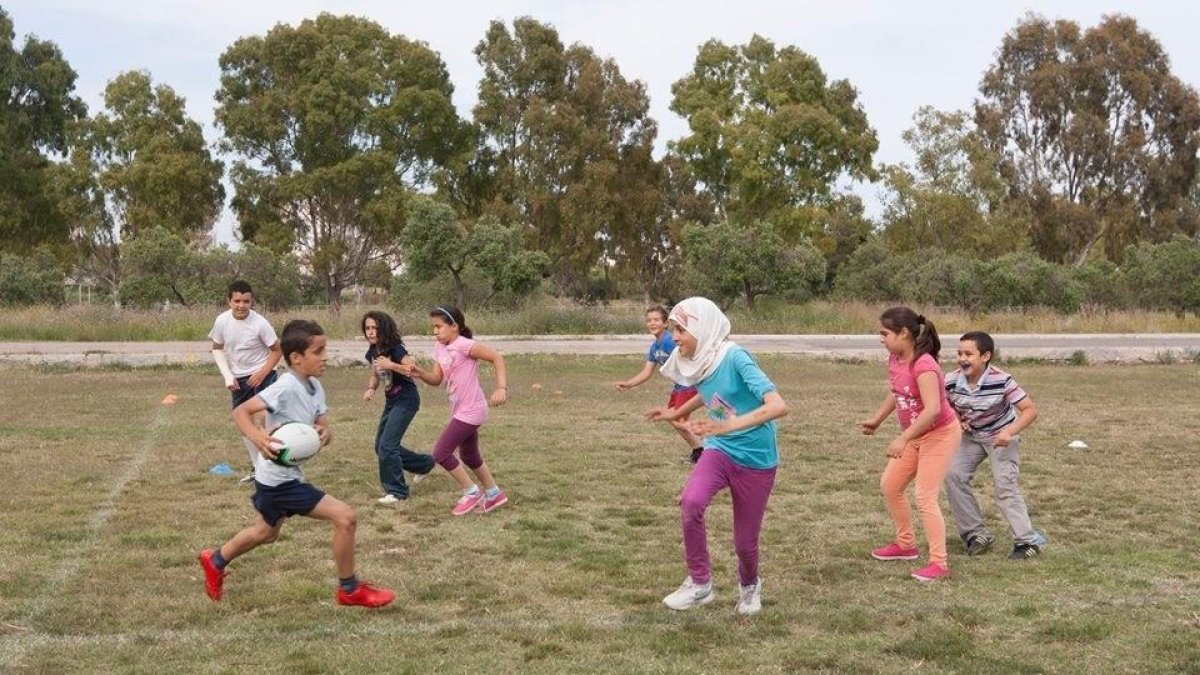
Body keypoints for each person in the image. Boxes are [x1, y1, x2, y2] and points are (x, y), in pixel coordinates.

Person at [198, 320, 395, 608]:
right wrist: (258, 438)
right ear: (296, 358)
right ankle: (349, 589)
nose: (325, 356)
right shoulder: (286, 386)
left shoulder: (315, 386)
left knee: (266, 533)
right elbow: (241, 411)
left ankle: (215, 560)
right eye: (319, 351)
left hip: (284, 477)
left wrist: (325, 433)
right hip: (279, 480)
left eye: (325, 349)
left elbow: (323, 429)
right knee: (345, 518)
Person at [647, 297, 788, 616]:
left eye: (680, 330)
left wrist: (727, 426)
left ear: (702, 327)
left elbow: (778, 405)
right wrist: (674, 413)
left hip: (756, 458)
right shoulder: (703, 360)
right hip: (721, 450)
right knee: (691, 502)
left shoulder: (735, 356)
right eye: (673, 330)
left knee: (744, 542)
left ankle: (750, 587)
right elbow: (706, 390)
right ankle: (700, 584)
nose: (675, 337)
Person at [858, 307, 962, 582]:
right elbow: (898, 392)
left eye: (885, 333)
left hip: (939, 434)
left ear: (904, 333)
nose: (881, 338)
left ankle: (939, 564)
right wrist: (878, 419)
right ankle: (906, 545)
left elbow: (933, 411)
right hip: (916, 435)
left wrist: (904, 437)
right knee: (890, 486)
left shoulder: (925, 365)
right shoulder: (895, 359)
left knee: (925, 497)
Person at [944, 331, 1046, 560]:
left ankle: (1026, 542)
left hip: (1002, 436)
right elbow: (943, 405)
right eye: (959, 353)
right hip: (972, 437)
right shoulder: (950, 380)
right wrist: (957, 420)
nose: (962, 359)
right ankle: (976, 534)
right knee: (953, 475)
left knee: (1004, 486)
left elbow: (1030, 410)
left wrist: (1009, 432)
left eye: (969, 354)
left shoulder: (1002, 380)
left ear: (986, 356)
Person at [401, 306, 509, 516]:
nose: (435, 331)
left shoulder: (464, 345)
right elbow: (436, 379)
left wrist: (501, 388)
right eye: (433, 327)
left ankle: (471, 492)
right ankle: (494, 493)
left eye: (439, 326)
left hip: (473, 409)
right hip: (459, 410)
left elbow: (497, 358)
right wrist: (420, 372)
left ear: (454, 327)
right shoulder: (439, 348)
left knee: (440, 452)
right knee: (469, 455)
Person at [209, 280, 282, 484]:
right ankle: (258, 470)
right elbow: (217, 348)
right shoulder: (222, 321)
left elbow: (277, 351)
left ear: (252, 302)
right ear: (229, 301)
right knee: (243, 423)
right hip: (238, 378)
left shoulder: (260, 323)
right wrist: (227, 375)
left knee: (263, 419)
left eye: (246, 301)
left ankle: (274, 469)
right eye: (237, 301)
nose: (241, 305)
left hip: (263, 374)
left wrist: (262, 373)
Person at [362, 310, 435, 504]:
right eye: (367, 328)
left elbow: (411, 368)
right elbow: (375, 373)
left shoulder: (396, 348)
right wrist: (371, 388)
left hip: (407, 400)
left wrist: (391, 364)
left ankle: (397, 491)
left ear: (383, 329)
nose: (370, 332)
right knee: (381, 446)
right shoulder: (373, 351)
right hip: (392, 401)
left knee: (387, 446)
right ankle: (424, 464)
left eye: (374, 328)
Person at [616, 305, 704, 464]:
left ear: (665, 323)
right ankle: (699, 450)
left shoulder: (671, 340)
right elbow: (646, 373)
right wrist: (629, 384)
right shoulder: (654, 347)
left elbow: (692, 354)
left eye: (656, 319)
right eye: (649, 320)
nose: (652, 323)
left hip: (689, 384)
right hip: (679, 387)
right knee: (673, 419)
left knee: (676, 418)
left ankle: (708, 439)